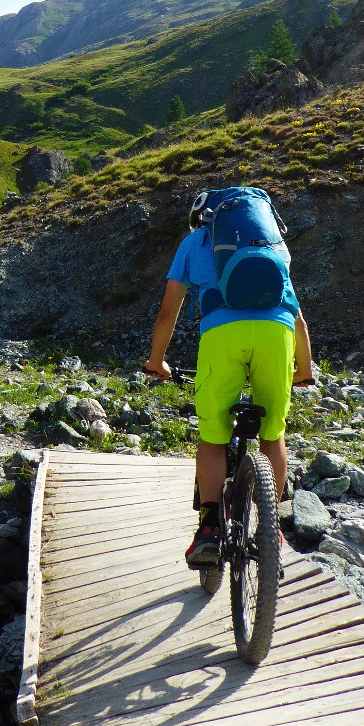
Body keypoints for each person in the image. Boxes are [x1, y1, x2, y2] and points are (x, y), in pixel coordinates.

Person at [144, 189, 314, 568]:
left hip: (222, 336)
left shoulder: (193, 243)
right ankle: (269, 528)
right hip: (277, 334)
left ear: (204, 219)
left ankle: (208, 528)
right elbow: (297, 316)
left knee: (213, 435)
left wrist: (156, 362)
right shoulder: (274, 246)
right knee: (273, 431)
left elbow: (167, 314)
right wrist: (304, 369)